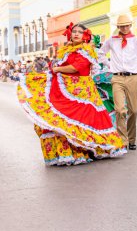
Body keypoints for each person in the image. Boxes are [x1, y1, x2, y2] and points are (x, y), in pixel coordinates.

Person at [17, 23, 126, 165]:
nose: (76, 34)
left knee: (79, 122)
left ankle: (87, 151)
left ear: (85, 35)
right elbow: (57, 66)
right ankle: (68, 153)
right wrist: (55, 68)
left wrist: (57, 69)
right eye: (74, 31)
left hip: (82, 93)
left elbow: (76, 68)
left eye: (79, 32)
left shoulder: (87, 50)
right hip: (65, 89)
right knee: (57, 121)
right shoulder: (67, 50)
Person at [98, 14, 137, 150]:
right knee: (119, 110)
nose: (124, 28)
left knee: (134, 111)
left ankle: (132, 139)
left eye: (126, 25)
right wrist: (109, 64)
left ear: (130, 25)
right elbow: (101, 53)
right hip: (117, 78)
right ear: (118, 27)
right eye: (121, 26)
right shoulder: (111, 40)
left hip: (132, 77)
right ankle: (123, 140)